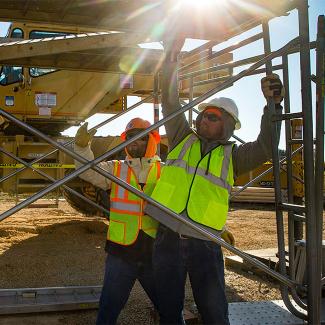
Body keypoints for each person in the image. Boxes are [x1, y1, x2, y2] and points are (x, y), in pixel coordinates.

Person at [145, 40, 285, 325]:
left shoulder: (234, 156)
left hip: (205, 244)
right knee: (169, 312)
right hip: (167, 239)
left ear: (228, 125)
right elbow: (171, 101)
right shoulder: (183, 137)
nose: (202, 120)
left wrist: (273, 106)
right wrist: (171, 59)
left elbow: (266, 147)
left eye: (211, 117)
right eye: (201, 115)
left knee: (214, 313)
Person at [73, 118, 162, 325]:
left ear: (151, 140)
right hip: (121, 253)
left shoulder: (164, 172)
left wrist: (216, 230)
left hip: (154, 253)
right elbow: (87, 170)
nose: (133, 141)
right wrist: (81, 147)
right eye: (130, 137)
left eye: (139, 137)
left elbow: (188, 203)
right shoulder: (115, 169)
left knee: (169, 308)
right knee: (108, 310)